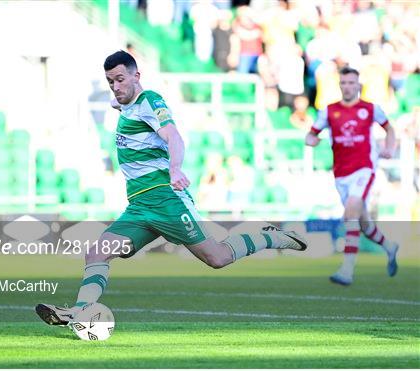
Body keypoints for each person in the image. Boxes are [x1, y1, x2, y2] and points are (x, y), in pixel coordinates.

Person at [35, 50, 307, 326]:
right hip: (140, 207)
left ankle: (269, 237)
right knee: (97, 251)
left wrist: (175, 168)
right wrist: (120, 103)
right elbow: (127, 106)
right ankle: (79, 312)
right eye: (110, 82)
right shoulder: (129, 106)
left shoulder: (150, 101)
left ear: (136, 76)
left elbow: (173, 136)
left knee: (217, 258)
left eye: (120, 79)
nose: (116, 87)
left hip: (167, 200)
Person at [305, 66, 399, 286]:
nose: (348, 87)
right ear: (340, 86)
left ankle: (346, 270)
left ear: (358, 85)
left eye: (351, 83)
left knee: (350, 213)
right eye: (344, 83)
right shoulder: (329, 111)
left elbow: (390, 129)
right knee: (364, 224)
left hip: (364, 168)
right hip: (341, 173)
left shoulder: (370, 109)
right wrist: (311, 140)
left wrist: (390, 148)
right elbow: (311, 134)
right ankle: (390, 247)